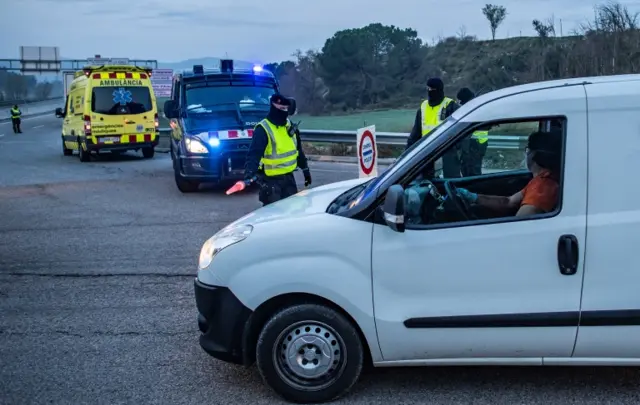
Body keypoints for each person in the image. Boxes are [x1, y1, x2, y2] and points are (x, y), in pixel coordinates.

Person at [454, 131, 561, 217]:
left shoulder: (542, 187)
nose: (526, 154)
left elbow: (520, 224)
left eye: (528, 150)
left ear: (534, 154)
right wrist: (473, 197)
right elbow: (508, 202)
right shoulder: (540, 180)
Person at [243, 94, 312, 206]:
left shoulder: (290, 127)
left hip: (289, 179)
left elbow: (298, 150)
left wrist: (305, 170)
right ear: (272, 107)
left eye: (285, 109)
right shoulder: (263, 129)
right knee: (273, 217)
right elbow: (254, 155)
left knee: (291, 214)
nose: (283, 111)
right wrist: (249, 175)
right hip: (270, 182)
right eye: (280, 109)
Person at [407, 78, 461, 178]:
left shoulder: (450, 106)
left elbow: (460, 130)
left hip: (446, 154)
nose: (430, 92)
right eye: (428, 89)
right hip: (427, 154)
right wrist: (407, 154)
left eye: (433, 89)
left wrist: (456, 149)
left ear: (440, 90)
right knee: (429, 185)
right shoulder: (423, 107)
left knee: (449, 184)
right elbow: (416, 133)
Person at [456, 87, 488, 176]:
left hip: (474, 146)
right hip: (477, 145)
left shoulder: (473, 109)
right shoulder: (477, 106)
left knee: (472, 173)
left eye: (461, 102)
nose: (460, 104)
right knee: (471, 171)